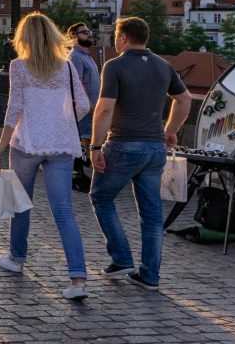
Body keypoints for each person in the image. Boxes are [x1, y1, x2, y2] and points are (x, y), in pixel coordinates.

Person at [0, 12, 91, 300]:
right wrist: (60, 122)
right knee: (64, 211)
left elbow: (14, 108)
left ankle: (17, 259)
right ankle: (78, 280)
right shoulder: (67, 67)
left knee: (21, 204)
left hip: (27, 144)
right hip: (61, 146)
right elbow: (83, 105)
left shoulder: (19, 66)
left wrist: (1, 145)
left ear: (25, 38)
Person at [89, 16, 192, 292]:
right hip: (155, 148)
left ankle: (121, 258)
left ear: (123, 37)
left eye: (115, 36)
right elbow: (185, 100)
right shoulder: (164, 66)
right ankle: (150, 276)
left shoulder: (115, 66)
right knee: (152, 213)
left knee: (100, 196)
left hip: (123, 144)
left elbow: (104, 108)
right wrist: (170, 130)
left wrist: (96, 146)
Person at [68, 22, 100, 191]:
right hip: (86, 107)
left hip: (93, 106)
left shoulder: (86, 55)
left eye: (89, 31)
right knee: (82, 140)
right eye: (85, 32)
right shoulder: (75, 56)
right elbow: (77, 82)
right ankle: (76, 175)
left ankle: (80, 173)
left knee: (86, 139)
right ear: (74, 36)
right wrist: (88, 103)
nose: (89, 34)